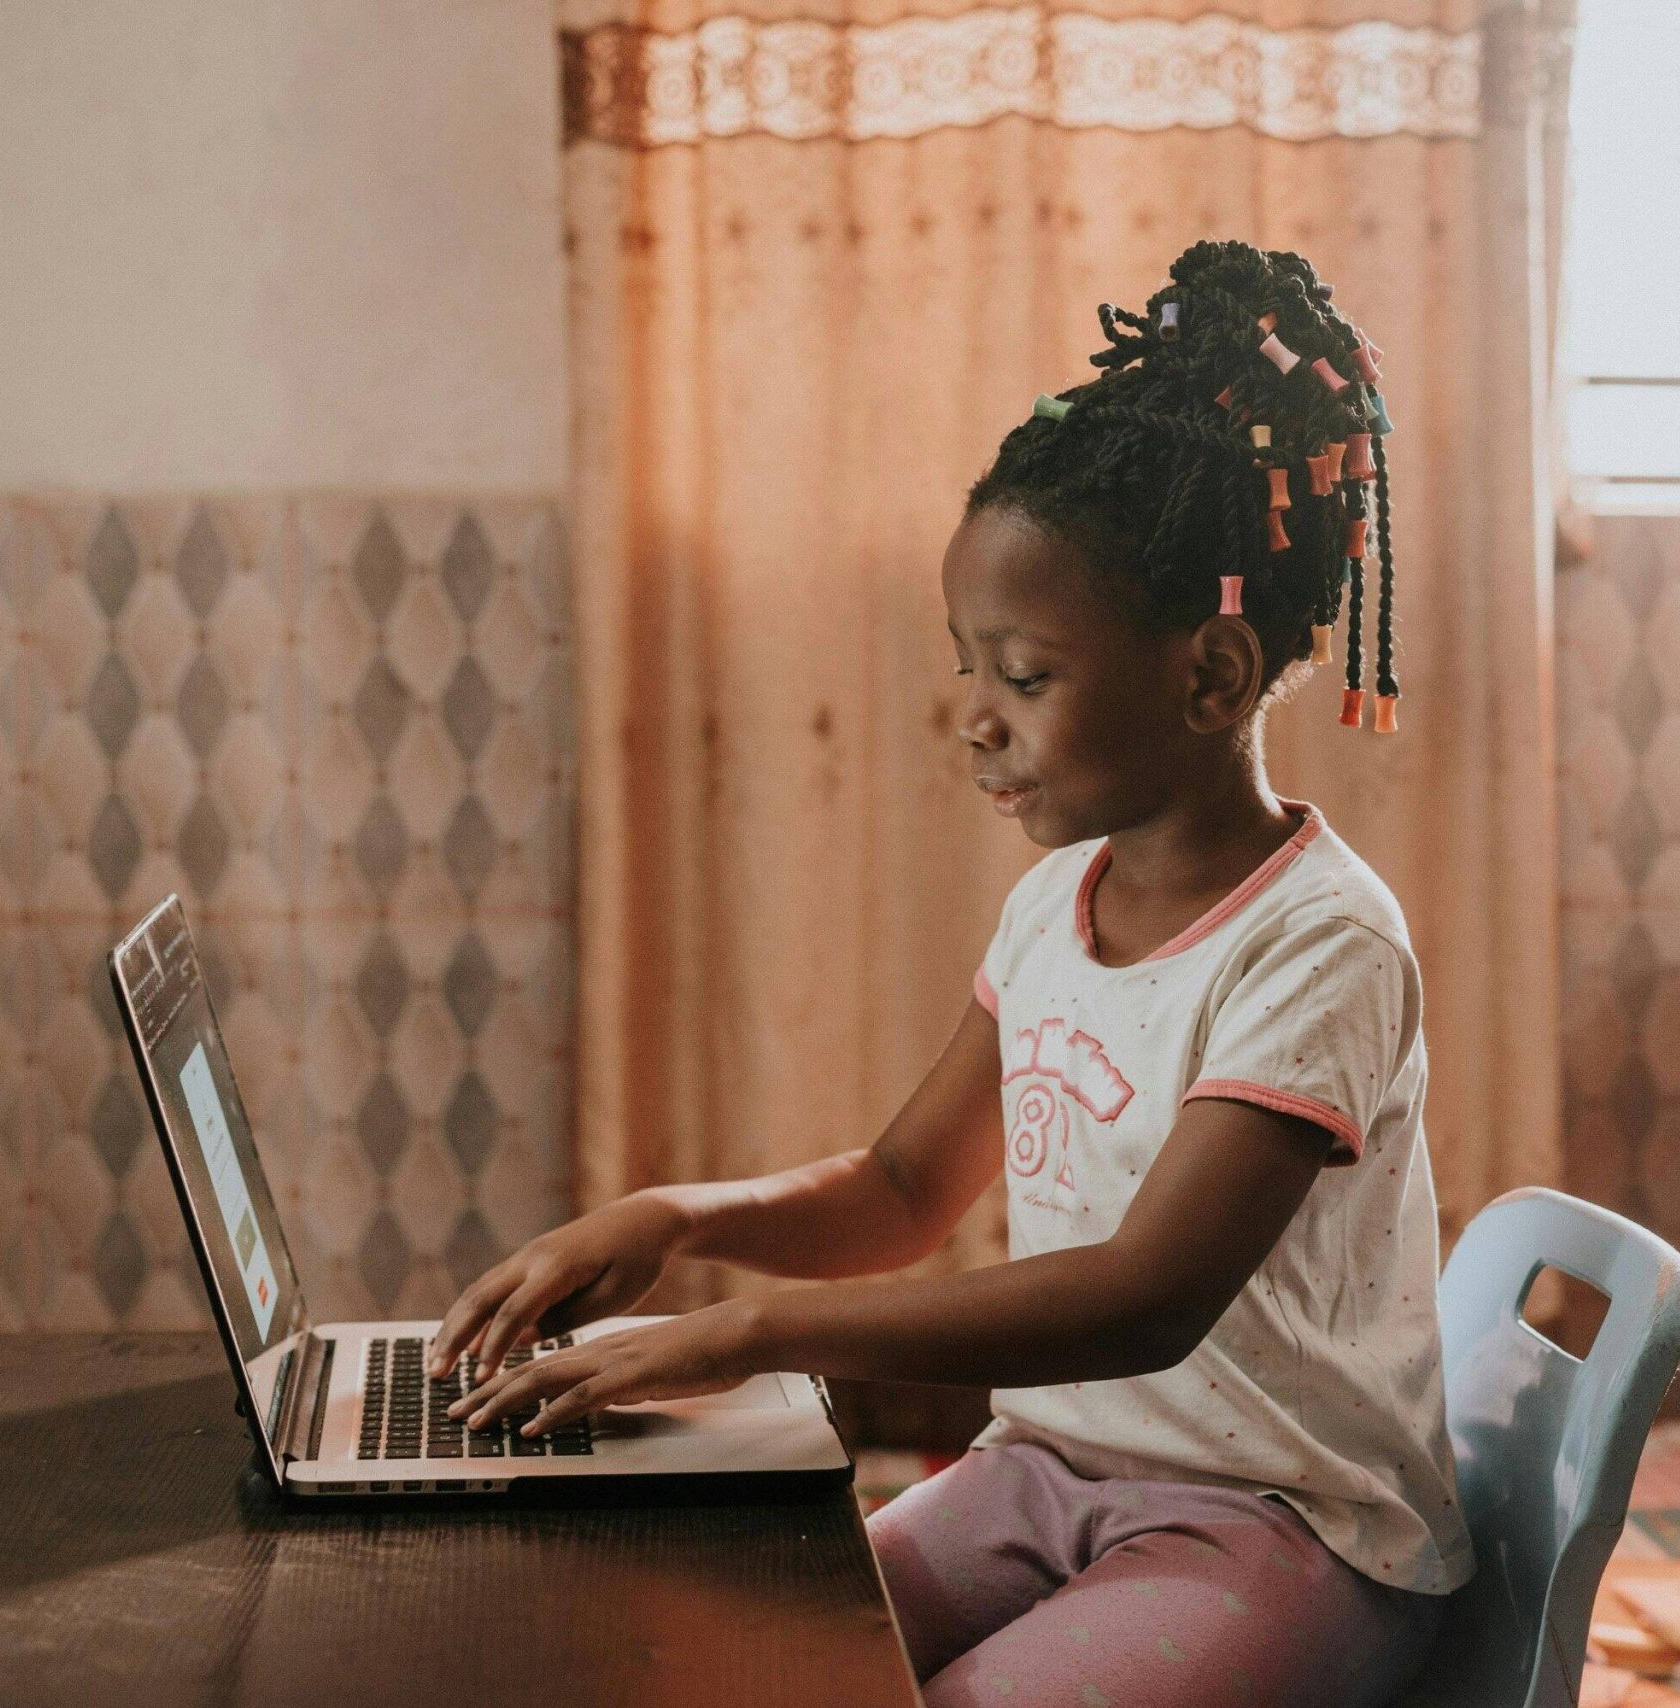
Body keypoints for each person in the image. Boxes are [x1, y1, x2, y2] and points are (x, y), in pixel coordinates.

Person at [433, 239, 1471, 1706]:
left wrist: (749, 1330)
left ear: (1213, 677)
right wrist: (670, 1219)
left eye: (1025, 676)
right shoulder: (1057, 907)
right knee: (731, 1661)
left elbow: (1144, 1297)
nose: (972, 719)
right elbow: (905, 1190)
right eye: (964, 665)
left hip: (1287, 1530)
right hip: (1049, 1475)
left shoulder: (1319, 944)